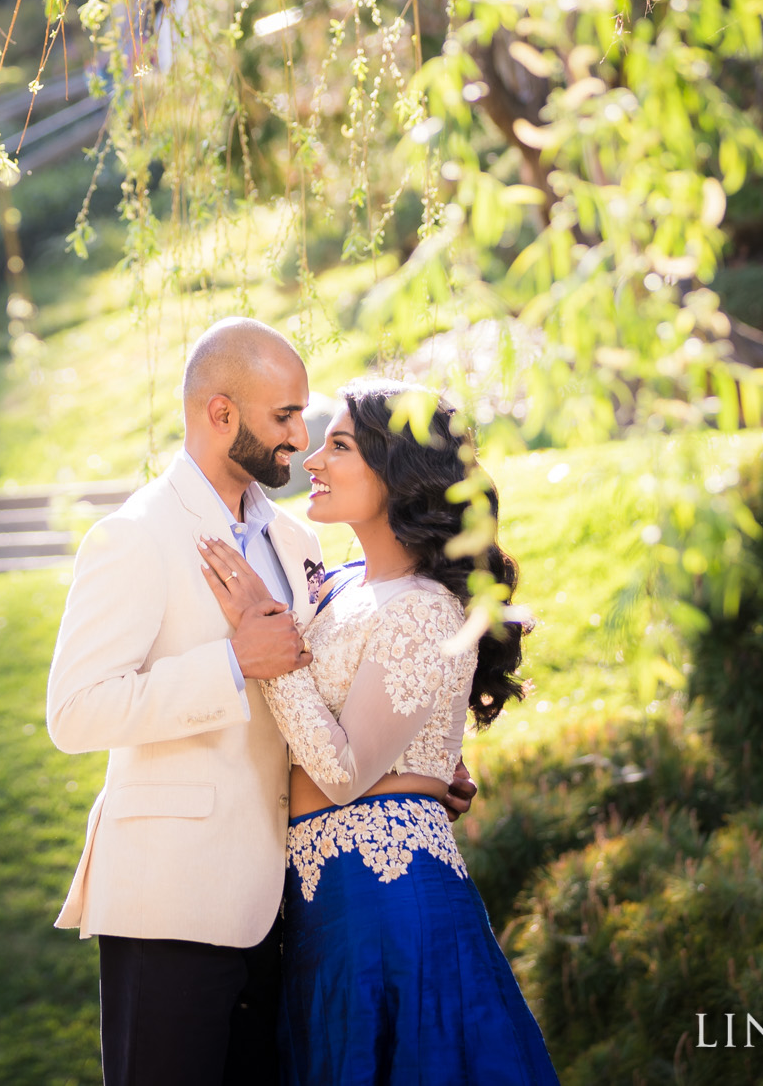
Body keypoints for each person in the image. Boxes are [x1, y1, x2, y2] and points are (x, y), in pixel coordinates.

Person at [46, 322, 476, 1086]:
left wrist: (414, 764)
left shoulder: (298, 541)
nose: (298, 439)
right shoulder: (135, 536)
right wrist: (231, 664)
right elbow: (75, 710)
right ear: (221, 415)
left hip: (289, 908)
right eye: (283, 417)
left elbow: (329, 681)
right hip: (170, 901)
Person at [195, 379, 558, 1086]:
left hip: (388, 904)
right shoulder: (340, 588)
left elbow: (343, 770)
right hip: (321, 903)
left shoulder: (426, 608)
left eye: (339, 445)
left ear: (397, 471)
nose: (314, 461)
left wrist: (268, 647)